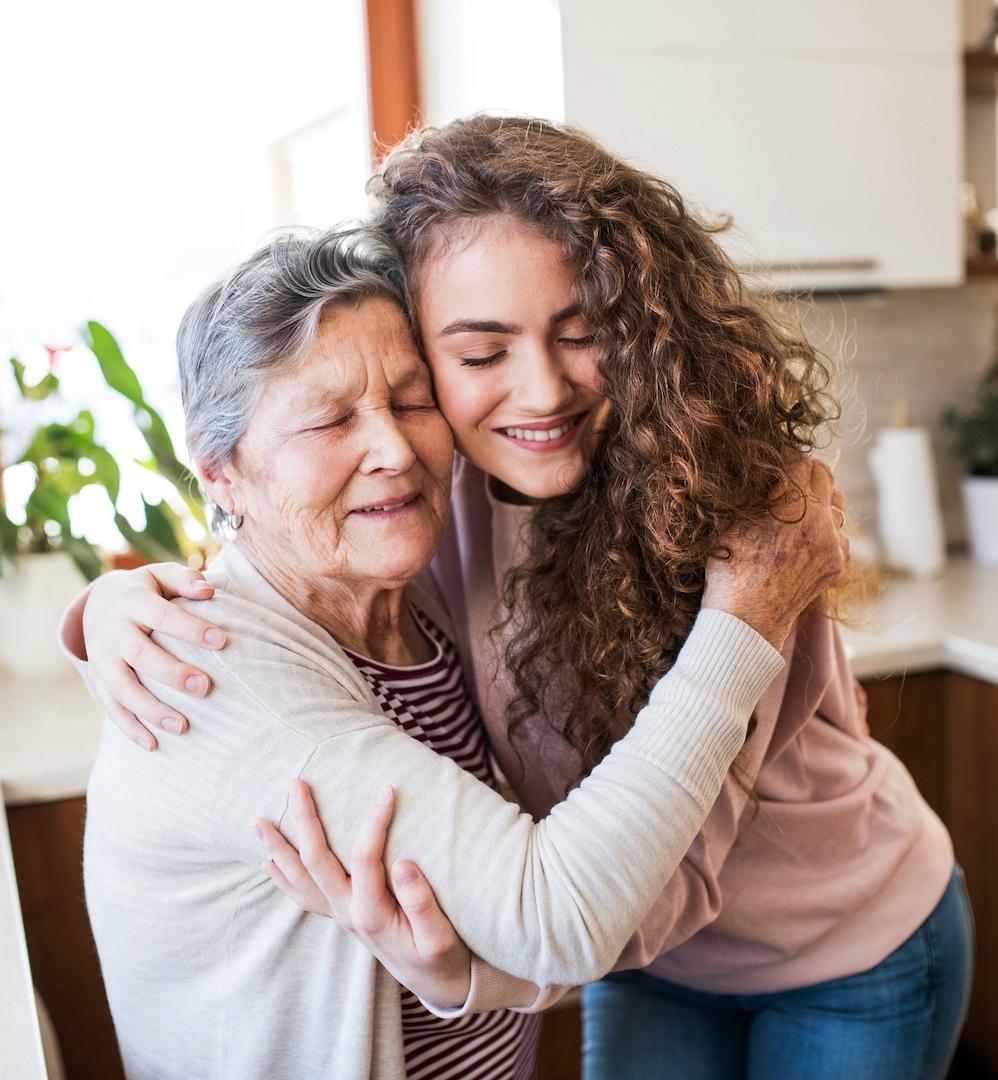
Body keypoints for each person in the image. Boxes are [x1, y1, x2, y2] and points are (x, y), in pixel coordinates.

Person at [62, 115, 970, 1080]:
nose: (539, 392)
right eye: (482, 355)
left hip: (841, 940)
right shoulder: (424, 513)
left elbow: (667, 883)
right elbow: (280, 541)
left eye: (582, 334)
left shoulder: (731, 519)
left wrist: (470, 975)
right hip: (641, 962)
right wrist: (111, 615)